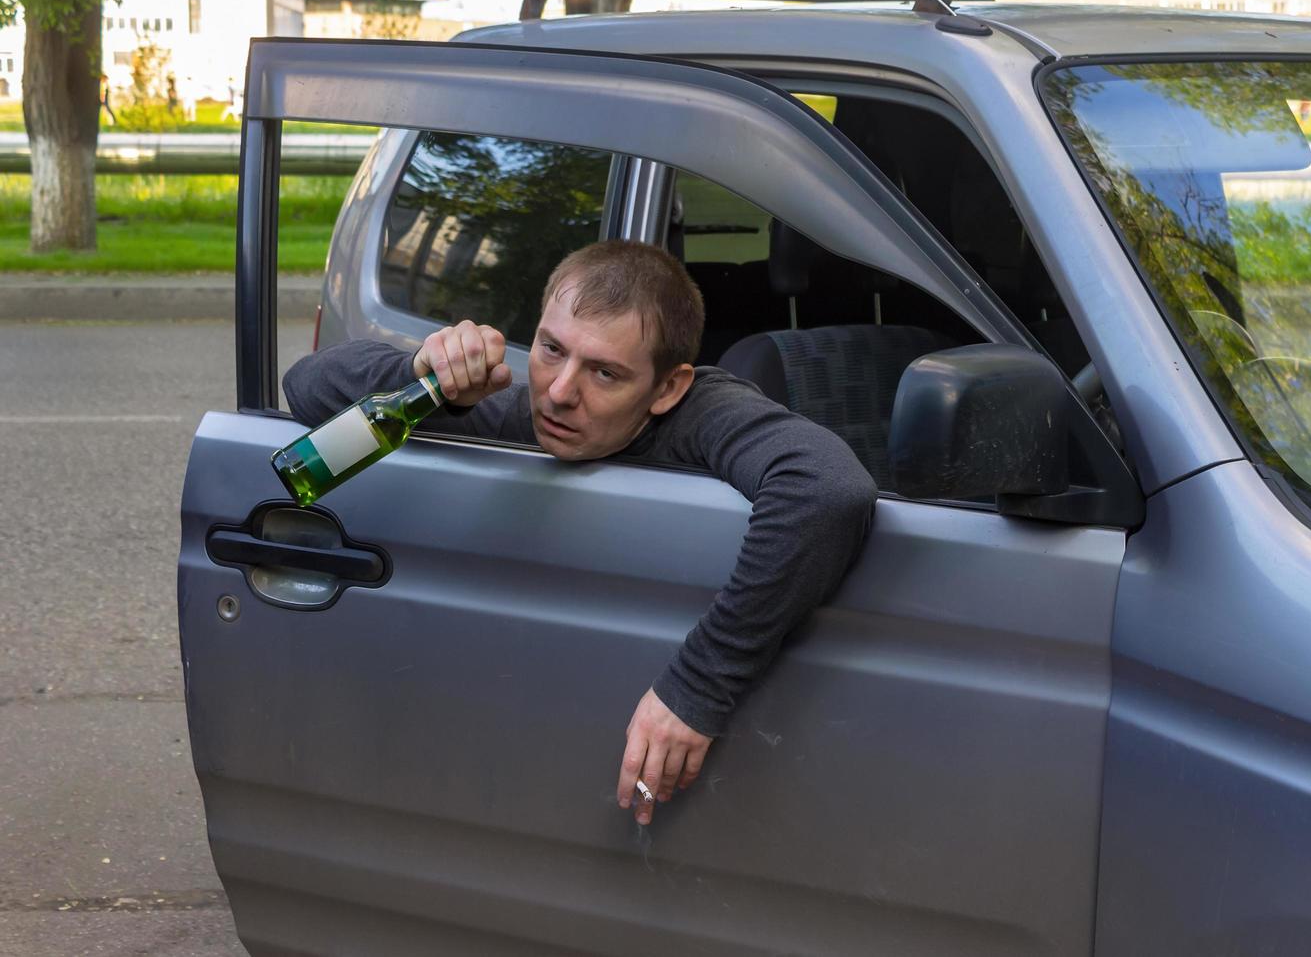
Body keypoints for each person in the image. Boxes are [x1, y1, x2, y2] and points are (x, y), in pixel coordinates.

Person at [281, 240, 878, 826]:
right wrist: (418, 371)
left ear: (668, 388)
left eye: (605, 372)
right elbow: (308, 385)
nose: (561, 392)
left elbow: (825, 489)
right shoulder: (522, 408)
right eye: (550, 349)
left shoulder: (703, 412)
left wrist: (697, 687)